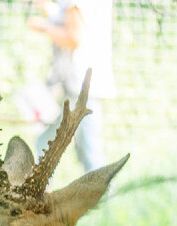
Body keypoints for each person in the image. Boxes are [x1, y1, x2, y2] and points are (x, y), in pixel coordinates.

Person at [28, 0, 115, 172]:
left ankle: (104, 196)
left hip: (78, 84)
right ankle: (38, 195)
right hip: (83, 83)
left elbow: (73, 38)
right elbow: (75, 19)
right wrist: (47, 8)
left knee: (89, 154)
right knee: (49, 145)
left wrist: (43, 27)